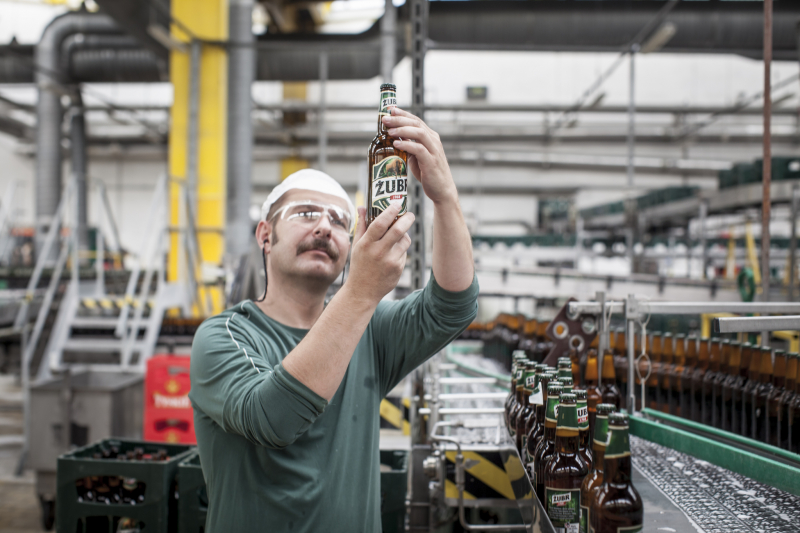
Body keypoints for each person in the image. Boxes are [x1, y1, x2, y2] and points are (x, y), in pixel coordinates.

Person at [189, 107, 478, 533]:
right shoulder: (224, 336)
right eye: (306, 213)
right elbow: (273, 418)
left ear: (351, 241)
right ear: (265, 235)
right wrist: (360, 291)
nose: (325, 226)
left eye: (340, 221)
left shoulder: (370, 328)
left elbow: (452, 305)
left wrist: (445, 198)